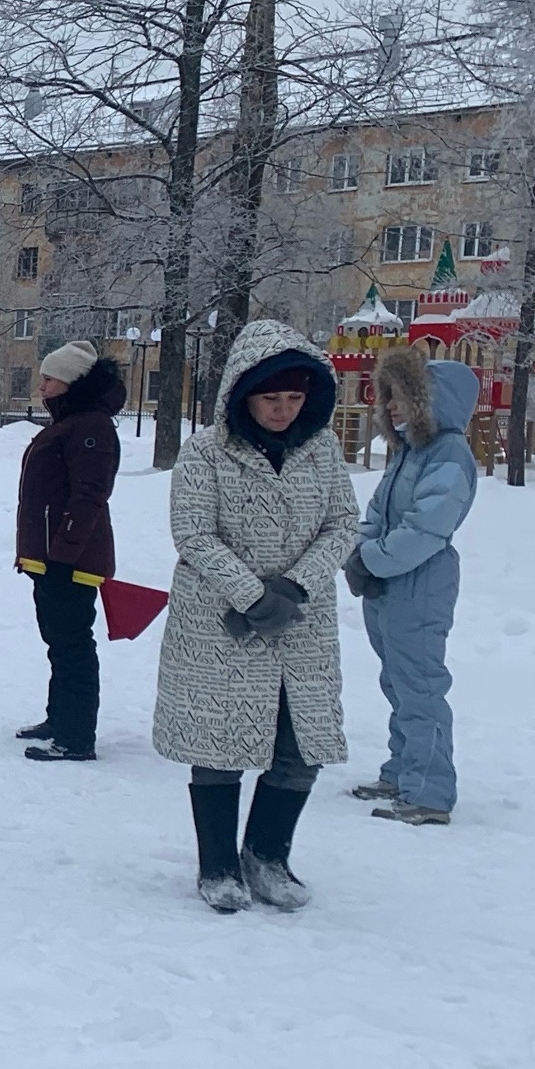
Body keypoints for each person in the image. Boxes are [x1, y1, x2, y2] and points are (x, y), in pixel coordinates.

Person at [154, 320, 360, 912]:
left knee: (300, 744)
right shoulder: (204, 454)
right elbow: (193, 533)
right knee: (221, 743)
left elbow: (342, 523)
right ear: (243, 393)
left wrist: (294, 586)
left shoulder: (320, 451)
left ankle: (267, 855)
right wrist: (251, 594)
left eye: (294, 398)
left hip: (300, 622)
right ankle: (218, 863)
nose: (283, 409)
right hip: (221, 625)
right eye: (271, 397)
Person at [346, 346, 479, 825]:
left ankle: (429, 791)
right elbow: (378, 513)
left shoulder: (449, 454)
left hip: (421, 582)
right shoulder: (408, 452)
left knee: (420, 684)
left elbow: (428, 526)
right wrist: (360, 554)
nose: (392, 406)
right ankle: (402, 770)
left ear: (431, 401)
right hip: (389, 583)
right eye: (389, 397)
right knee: (396, 680)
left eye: (403, 396)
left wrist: (374, 560)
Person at [13, 341, 126, 763]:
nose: (41, 387)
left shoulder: (90, 427)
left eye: (49, 379)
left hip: (71, 562)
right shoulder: (73, 423)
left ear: (73, 381)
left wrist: (63, 554)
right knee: (58, 641)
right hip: (52, 557)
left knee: (73, 643)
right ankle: (59, 719)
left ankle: (76, 738)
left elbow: (89, 495)